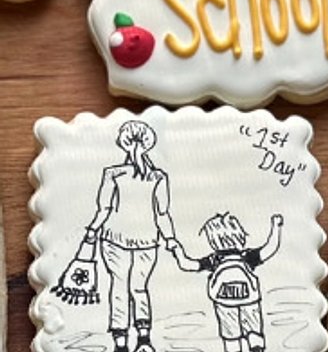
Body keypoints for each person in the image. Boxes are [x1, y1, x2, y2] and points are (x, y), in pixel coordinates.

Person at [84, 120, 176, 352]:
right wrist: (170, 239)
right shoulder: (158, 177)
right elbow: (162, 213)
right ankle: (144, 340)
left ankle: (120, 343)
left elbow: (104, 209)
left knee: (118, 287)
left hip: (113, 238)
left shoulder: (112, 174)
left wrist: (92, 231)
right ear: (149, 144)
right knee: (140, 288)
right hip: (148, 240)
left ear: (122, 143)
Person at [169, 212, 283, 352]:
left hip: (224, 304)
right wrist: (276, 227)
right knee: (253, 331)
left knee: (231, 336)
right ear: (240, 236)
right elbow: (270, 248)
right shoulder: (246, 256)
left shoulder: (214, 260)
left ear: (213, 241)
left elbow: (188, 265)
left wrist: (177, 250)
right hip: (249, 300)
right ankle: (256, 347)